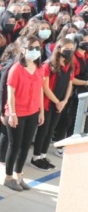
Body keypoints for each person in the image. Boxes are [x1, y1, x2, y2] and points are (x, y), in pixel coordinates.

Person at [4, 37, 45, 191]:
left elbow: (40, 90)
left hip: (33, 112)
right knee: (15, 146)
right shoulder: (16, 69)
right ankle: (8, 177)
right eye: (31, 48)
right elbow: (10, 93)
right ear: (23, 50)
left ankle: (19, 175)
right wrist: (12, 113)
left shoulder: (39, 68)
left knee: (25, 146)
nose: (34, 51)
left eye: (37, 47)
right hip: (17, 112)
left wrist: (41, 110)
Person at [31, 37, 74, 170]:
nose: (69, 51)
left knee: (50, 131)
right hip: (48, 103)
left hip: (60, 103)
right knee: (43, 131)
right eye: (66, 49)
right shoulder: (48, 65)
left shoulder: (68, 65)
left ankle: (43, 155)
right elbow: (45, 87)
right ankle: (36, 157)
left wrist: (65, 101)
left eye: (71, 49)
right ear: (59, 49)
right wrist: (57, 102)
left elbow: (70, 84)